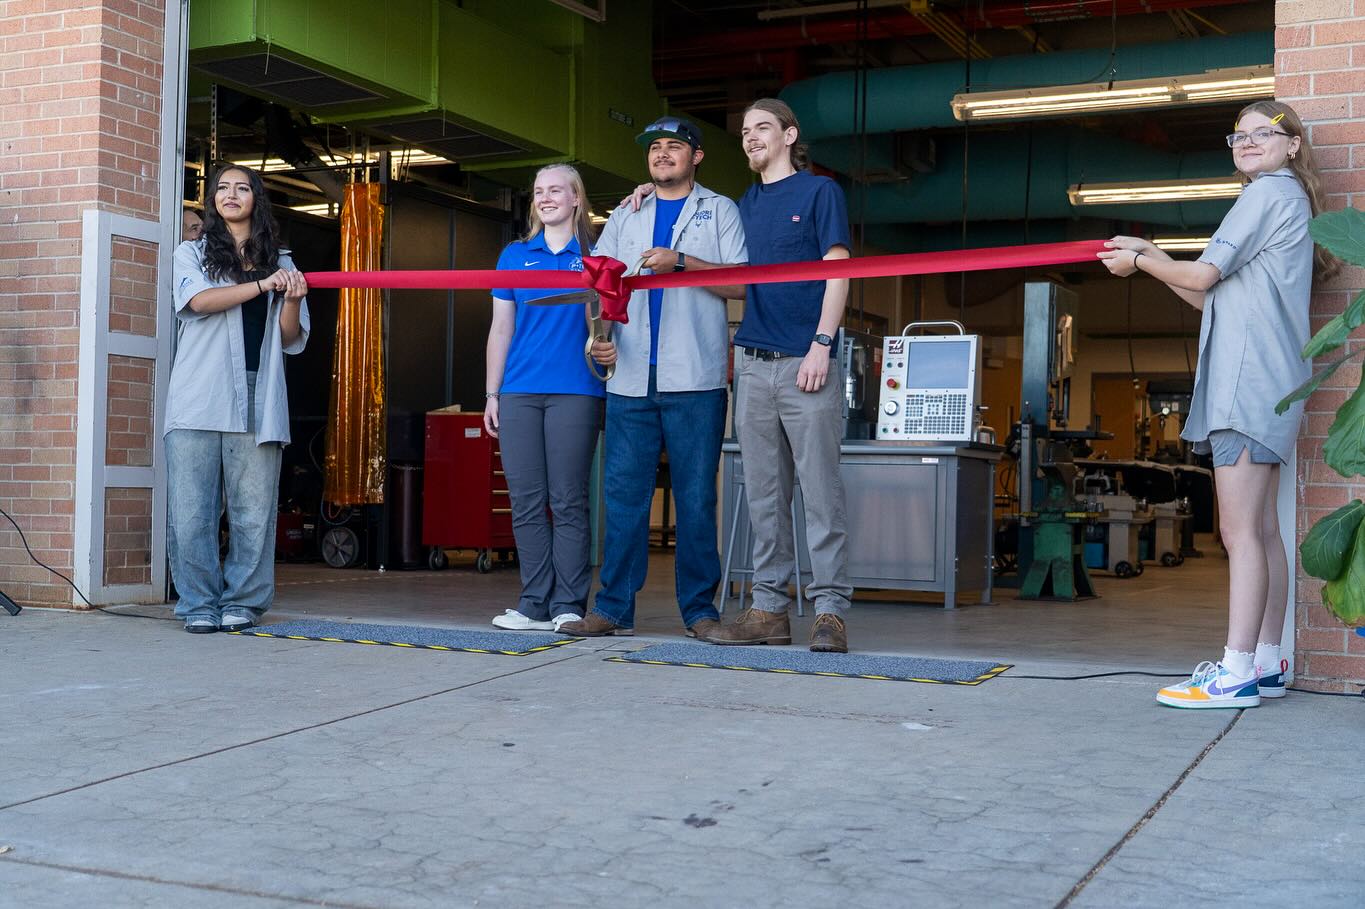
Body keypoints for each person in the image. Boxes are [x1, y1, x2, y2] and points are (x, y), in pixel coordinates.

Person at [1098, 100, 1333, 708]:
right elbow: (1213, 302)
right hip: (1273, 384)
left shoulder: (1263, 195)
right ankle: (1268, 660)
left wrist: (1144, 256)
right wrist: (1150, 261)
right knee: (1264, 530)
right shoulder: (1290, 203)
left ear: (1293, 146)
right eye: (1239, 136)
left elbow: (1200, 279)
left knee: (1237, 531)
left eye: (1264, 133)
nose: (1248, 143)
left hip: (1244, 385)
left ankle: (1234, 673)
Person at [558, 117, 748, 639]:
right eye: (656, 148)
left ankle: (700, 612)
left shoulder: (720, 210)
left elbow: (741, 287)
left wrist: (681, 263)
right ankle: (613, 607)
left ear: (697, 157)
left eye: (675, 147)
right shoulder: (627, 210)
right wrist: (596, 338)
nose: (663, 154)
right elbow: (601, 285)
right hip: (630, 374)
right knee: (622, 496)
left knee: (694, 498)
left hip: (696, 377)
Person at [701, 98, 854, 653]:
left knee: (820, 491)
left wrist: (822, 344)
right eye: (744, 131)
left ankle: (830, 611)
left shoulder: (819, 192)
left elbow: (840, 272)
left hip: (804, 362)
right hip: (754, 363)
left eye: (762, 128)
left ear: (790, 135)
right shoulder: (744, 204)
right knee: (764, 493)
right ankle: (768, 609)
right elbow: (734, 277)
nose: (750, 138)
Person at [167, 164, 309, 633]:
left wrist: (289, 297)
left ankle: (244, 602)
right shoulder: (192, 253)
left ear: (256, 199)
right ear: (212, 201)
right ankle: (199, 603)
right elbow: (200, 303)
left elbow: (290, 338)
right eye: (222, 188)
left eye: (242, 188)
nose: (231, 194)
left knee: (254, 509)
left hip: (258, 390)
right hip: (199, 393)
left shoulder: (282, 262)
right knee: (191, 510)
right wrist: (263, 286)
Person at [484, 164, 605, 632]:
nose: (546, 198)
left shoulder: (597, 254)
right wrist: (492, 392)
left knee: (568, 498)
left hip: (576, 389)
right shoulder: (515, 255)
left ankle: (568, 604)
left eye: (556, 190)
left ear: (577, 197)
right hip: (518, 391)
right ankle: (534, 602)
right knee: (527, 500)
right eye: (539, 192)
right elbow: (500, 328)